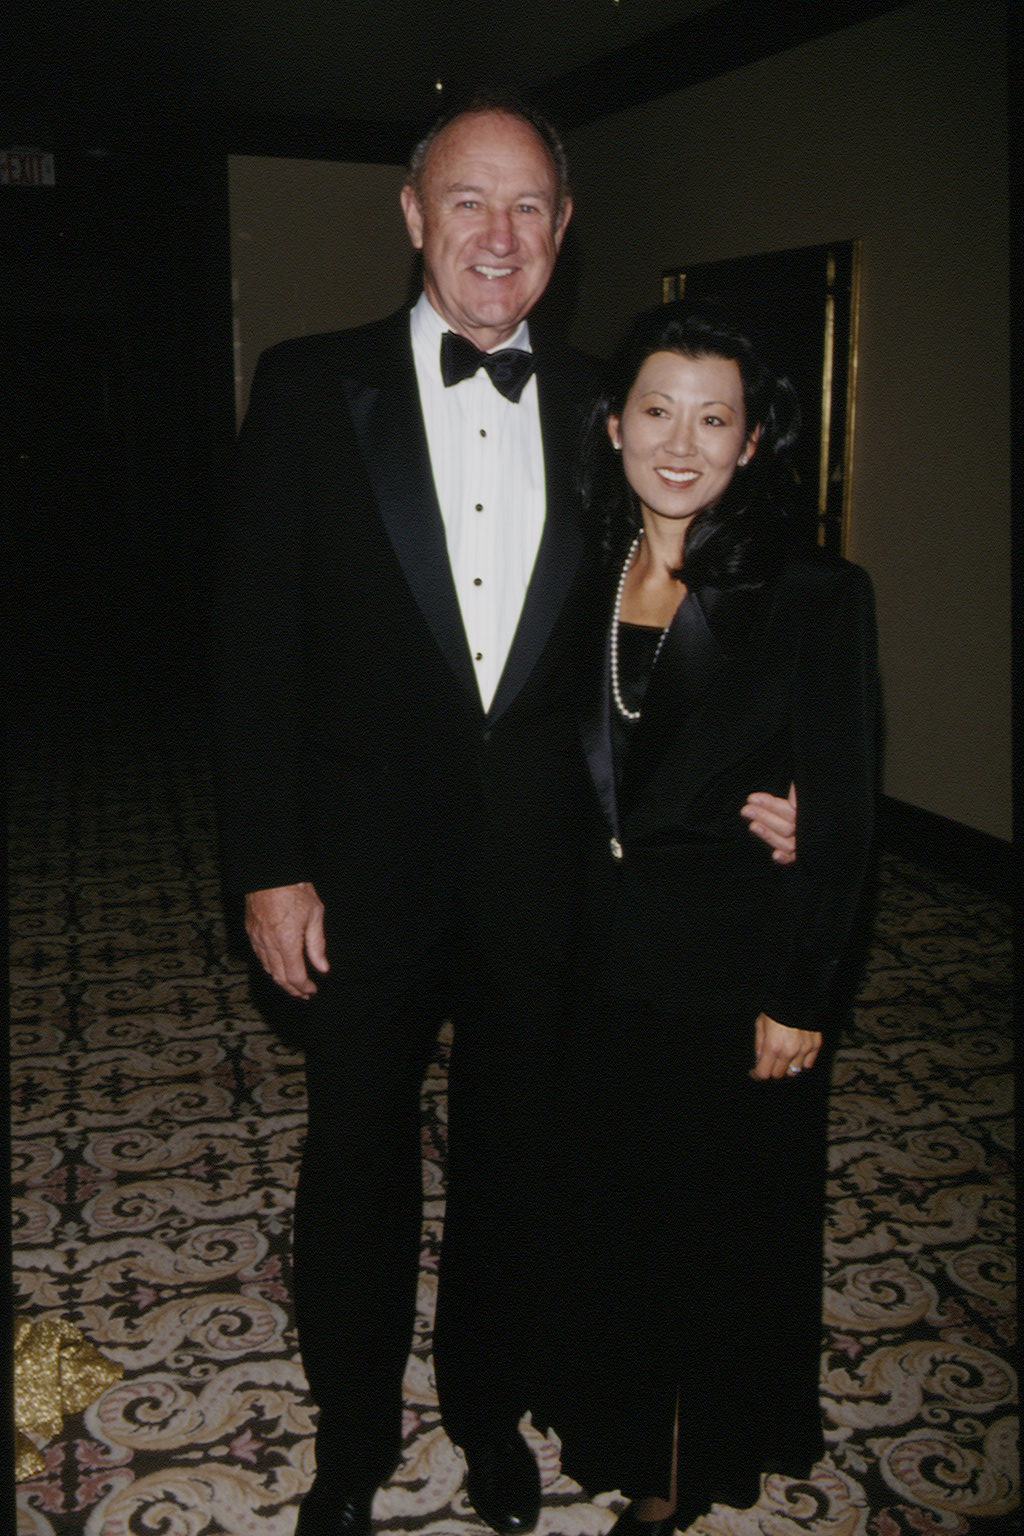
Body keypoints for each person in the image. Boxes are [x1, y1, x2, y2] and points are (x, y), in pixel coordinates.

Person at [210, 95, 798, 1536]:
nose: (499, 234)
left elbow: (704, 623)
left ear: (564, 232)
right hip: (354, 868)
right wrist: (270, 863)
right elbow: (249, 651)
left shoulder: (618, 406)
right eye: (469, 201)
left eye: (529, 206)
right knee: (355, 1158)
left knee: (515, 1158)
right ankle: (353, 1434)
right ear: (413, 216)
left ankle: (486, 1412)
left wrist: (779, 790)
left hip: (549, 873)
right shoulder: (306, 386)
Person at [536, 302, 878, 1532]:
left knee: (713, 1235)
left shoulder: (813, 593)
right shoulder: (572, 567)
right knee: (611, 1213)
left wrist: (806, 992)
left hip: (728, 966)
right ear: (614, 422)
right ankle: (612, 1418)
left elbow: (841, 821)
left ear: (751, 440)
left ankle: (684, 1468)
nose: (680, 443)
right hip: (592, 959)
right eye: (656, 410)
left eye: (714, 418)